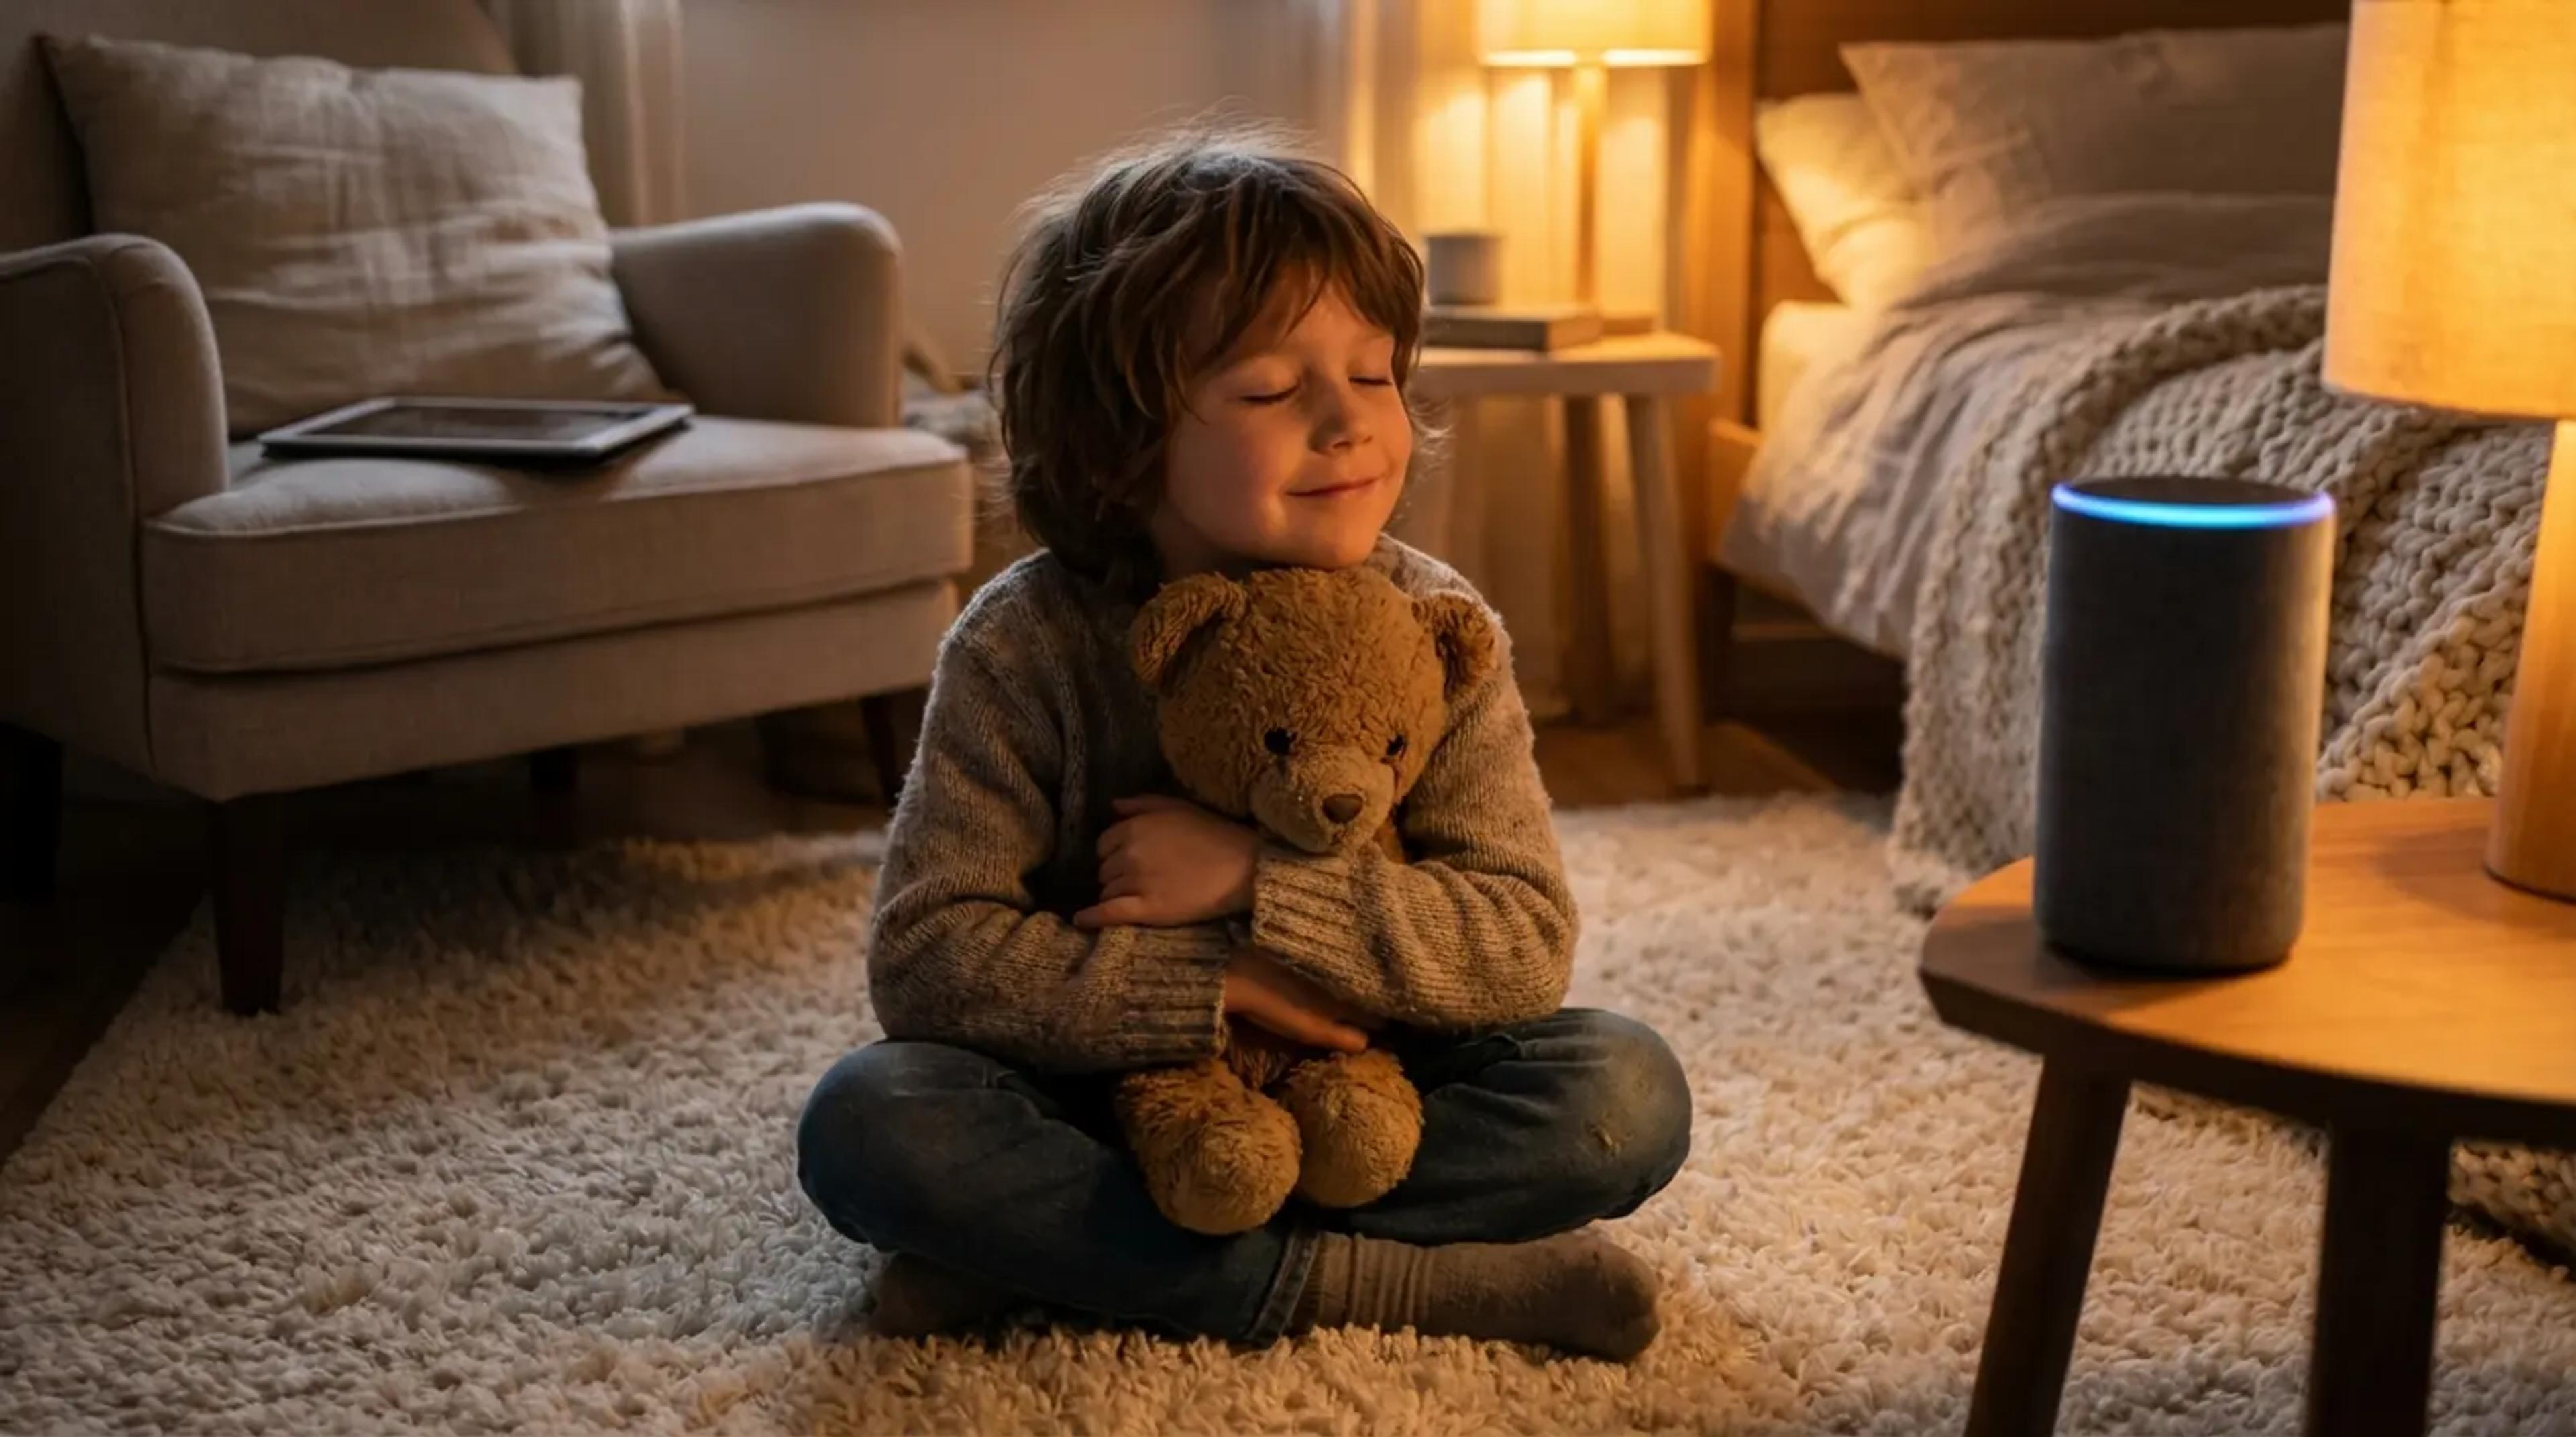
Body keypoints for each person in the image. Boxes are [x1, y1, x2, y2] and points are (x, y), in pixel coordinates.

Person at [794, 127, 1692, 1362]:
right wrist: (1210, 986)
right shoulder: (1023, 644)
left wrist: (1260, 883)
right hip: (1102, 1101)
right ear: (1122, 440)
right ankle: (1396, 1281)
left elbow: (1521, 943)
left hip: (1370, 1092)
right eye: (1273, 390)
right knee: (872, 1124)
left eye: (1375, 375)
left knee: (1625, 1093)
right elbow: (929, 957)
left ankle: (1062, 1265)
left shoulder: (1440, 629)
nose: (1347, 424)